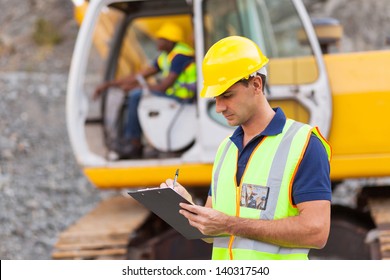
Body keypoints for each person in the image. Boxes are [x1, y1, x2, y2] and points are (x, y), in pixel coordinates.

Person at [160, 36, 332, 260]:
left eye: (228, 96)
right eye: (216, 99)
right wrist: (188, 206)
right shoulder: (226, 149)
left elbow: (316, 232)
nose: (220, 107)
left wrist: (231, 225)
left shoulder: (304, 143)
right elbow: (213, 233)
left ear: (256, 85)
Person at [93, 22, 196, 158]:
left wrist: (135, 87)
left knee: (136, 95)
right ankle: (131, 140)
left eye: (161, 39)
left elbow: (163, 87)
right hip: (175, 97)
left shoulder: (180, 56)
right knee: (133, 95)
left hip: (186, 99)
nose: (157, 41)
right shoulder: (166, 56)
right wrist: (109, 84)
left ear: (170, 41)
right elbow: (139, 76)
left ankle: (134, 143)